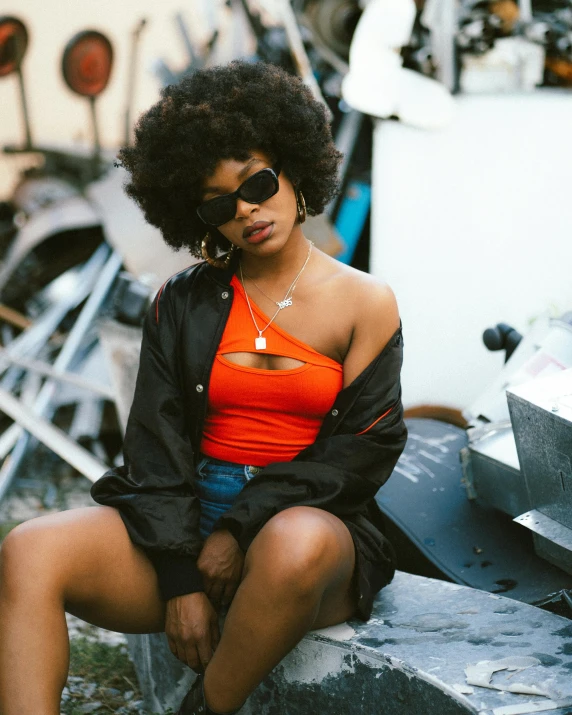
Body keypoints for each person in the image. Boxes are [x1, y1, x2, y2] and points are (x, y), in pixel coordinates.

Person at [0, 61, 407, 715]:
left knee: (294, 540)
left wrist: (240, 529)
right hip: (189, 527)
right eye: (220, 203)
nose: (246, 209)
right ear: (201, 217)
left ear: (294, 166)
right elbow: (155, 450)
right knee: (29, 547)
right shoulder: (181, 301)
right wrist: (181, 576)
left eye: (258, 182)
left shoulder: (365, 301)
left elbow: (360, 453)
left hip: (302, 538)